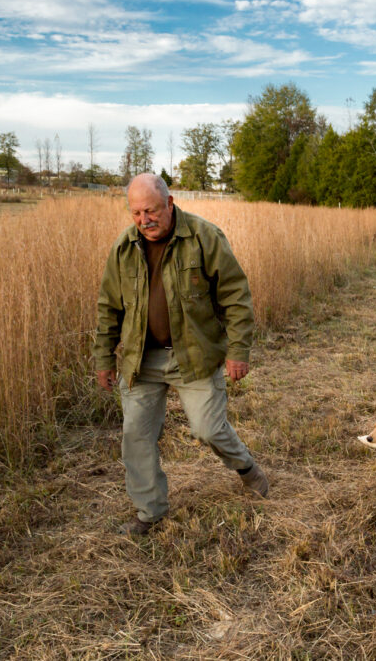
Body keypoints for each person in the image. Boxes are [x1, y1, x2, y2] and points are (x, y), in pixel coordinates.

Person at [93, 173, 268, 536]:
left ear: (170, 203)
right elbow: (109, 307)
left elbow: (236, 296)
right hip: (142, 360)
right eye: (137, 212)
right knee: (136, 435)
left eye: (152, 210)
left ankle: (246, 467)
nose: (145, 220)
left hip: (195, 356)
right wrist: (104, 358)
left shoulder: (205, 237)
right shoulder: (124, 248)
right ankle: (149, 512)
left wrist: (238, 350)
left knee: (208, 429)